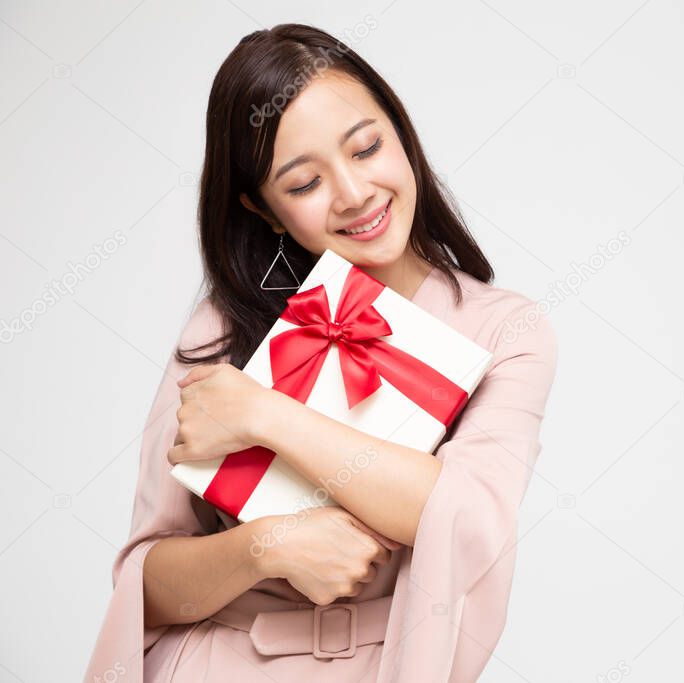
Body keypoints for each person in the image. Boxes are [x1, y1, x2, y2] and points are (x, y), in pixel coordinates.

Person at [83, 23, 557, 682]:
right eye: (304, 184)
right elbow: (148, 585)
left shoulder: (504, 330)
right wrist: (263, 547)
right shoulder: (221, 325)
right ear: (264, 208)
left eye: (366, 147)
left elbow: (463, 515)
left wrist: (265, 417)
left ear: (401, 131)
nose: (355, 193)